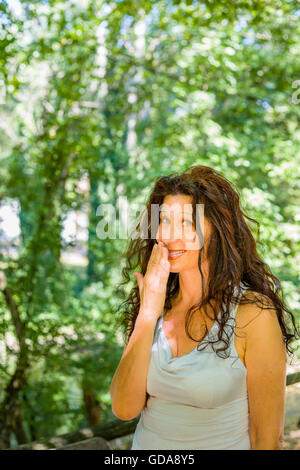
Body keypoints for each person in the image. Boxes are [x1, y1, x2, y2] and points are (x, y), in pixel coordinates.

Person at [110, 165, 299, 450]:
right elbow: (125, 408)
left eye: (185, 222)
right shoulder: (153, 301)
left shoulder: (253, 313)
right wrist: (148, 312)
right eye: (163, 220)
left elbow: (267, 440)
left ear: (217, 230)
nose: (170, 234)